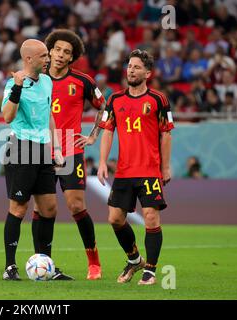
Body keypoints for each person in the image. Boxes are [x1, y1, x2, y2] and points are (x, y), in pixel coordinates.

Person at [31, 29, 105, 281]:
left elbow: (106, 108)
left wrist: (94, 134)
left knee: (75, 205)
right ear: (49, 50)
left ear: (72, 57)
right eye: (58, 49)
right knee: (42, 209)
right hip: (40, 151)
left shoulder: (83, 82)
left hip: (71, 151)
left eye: (67, 52)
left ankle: (93, 261)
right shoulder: (35, 79)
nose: (61, 55)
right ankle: (44, 262)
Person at [98, 49, 174, 285]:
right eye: (129, 66)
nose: (131, 70)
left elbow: (166, 135)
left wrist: (166, 167)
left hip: (150, 170)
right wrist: (102, 162)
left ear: (147, 73)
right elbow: (108, 131)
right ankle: (134, 260)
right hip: (124, 171)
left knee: (151, 217)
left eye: (137, 67)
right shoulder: (115, 99)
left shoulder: (158, 99)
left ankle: (150, 269)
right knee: (115, 219)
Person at [1, 39, 65, 280]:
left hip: (42, 150)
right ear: (28, 59)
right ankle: (10, 267)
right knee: (18, 208)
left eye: (47, 55)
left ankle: (46, 264)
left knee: (49, 208)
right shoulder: (13, 84)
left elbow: (49, 114)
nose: (48, 59)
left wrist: (56, 147)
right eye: (43, 56)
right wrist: (17, 87)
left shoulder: (47, 82)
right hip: (21, 148)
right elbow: (7, 116)